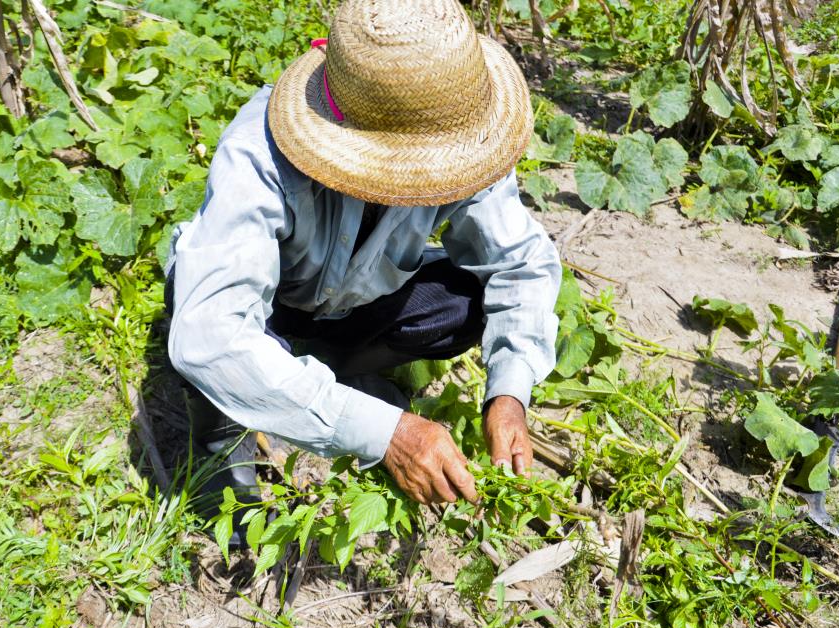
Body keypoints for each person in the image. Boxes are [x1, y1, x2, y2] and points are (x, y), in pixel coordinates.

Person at [164, 0, 561, 528]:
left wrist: (509, 393)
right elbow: (210, 336)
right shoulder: (259, 151)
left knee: (463, 304)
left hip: (356, 301)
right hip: (270, 307)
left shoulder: (459, 126)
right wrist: (386, 433)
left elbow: (520, 262)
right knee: (206, 319)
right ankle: (226, 429)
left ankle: (322, 380)